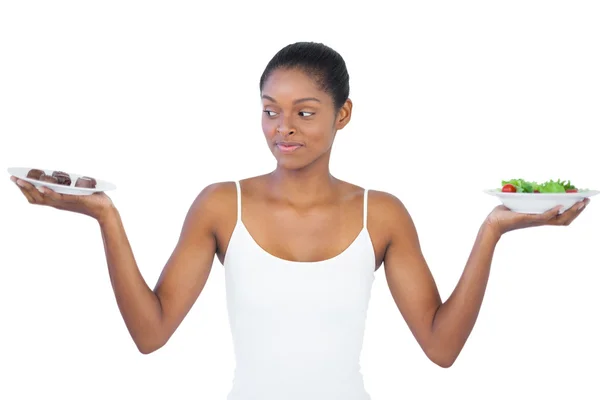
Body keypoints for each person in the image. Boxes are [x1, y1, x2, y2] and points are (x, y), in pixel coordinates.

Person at [10, 42, 590, 400]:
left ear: (343, 115)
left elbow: (441, 348)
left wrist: (492, 230)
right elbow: (151, 334)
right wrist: (105, 218)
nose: (281, 128)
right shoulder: (221, 204)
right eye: (270, 110)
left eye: (304, 112)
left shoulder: (380, 213)